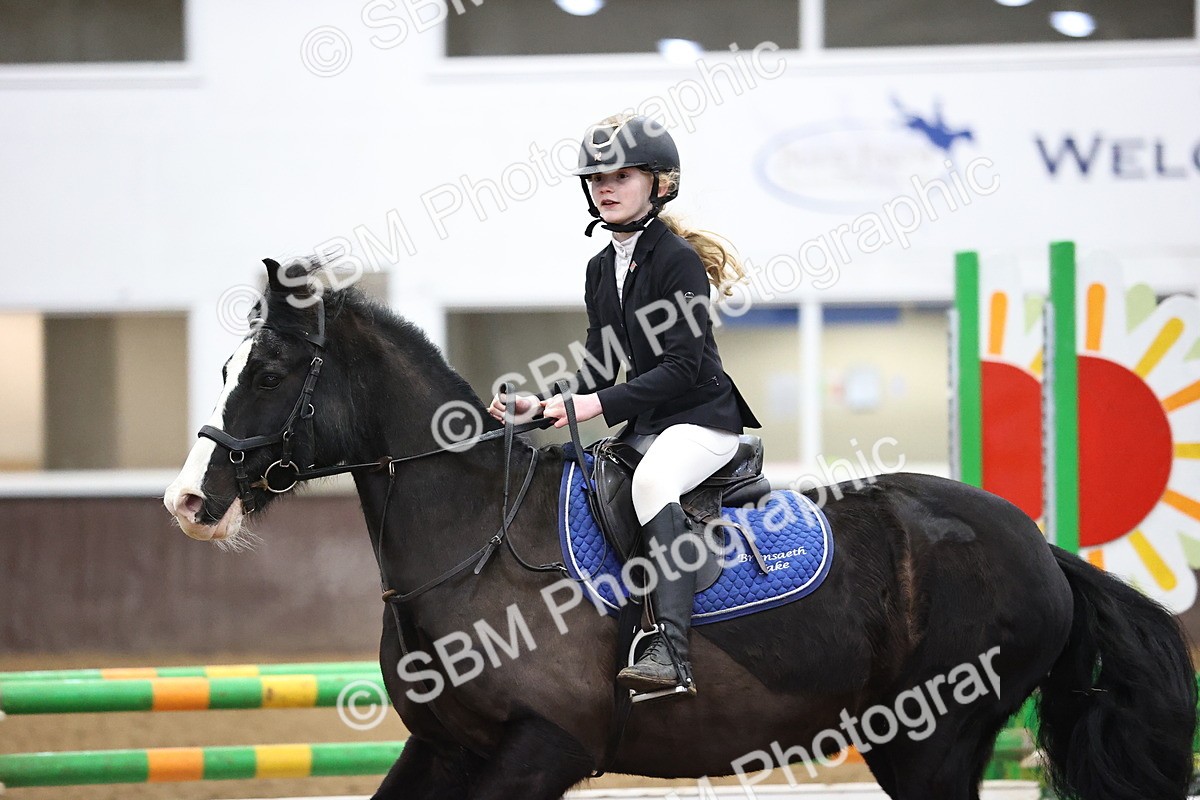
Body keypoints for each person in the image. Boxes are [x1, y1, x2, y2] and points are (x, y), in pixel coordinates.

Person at [489, 113, 760, 696]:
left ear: (659, 183)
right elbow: (596, 363)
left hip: (703, 421)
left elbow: (683, 368)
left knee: (652, 485)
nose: (604, 188)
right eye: (595, 178)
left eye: (621, 175)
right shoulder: (600, 267)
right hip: (648, 423)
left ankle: (673, 651)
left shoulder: (677, 261)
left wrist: (594, 407)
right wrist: (545, 406)